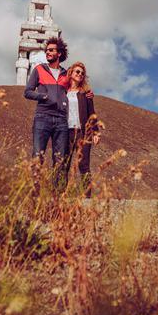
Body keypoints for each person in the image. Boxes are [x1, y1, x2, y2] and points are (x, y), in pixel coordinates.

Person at [24, 37, 70, 191]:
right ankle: (34, 197)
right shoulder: (39, 69)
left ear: (59, 53)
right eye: (47, 50)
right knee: (38, 156)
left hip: (62, 120)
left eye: (51, 50)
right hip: (42, 117)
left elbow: (75, 91)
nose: (48, 52)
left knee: (60, 159)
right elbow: (28, 92)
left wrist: (87, 93)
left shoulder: (66, 73)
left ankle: (57, 197)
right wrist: (43, 96)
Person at [64, 62, 100, 198]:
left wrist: (96, 132)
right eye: (77, 72)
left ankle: (86, 198)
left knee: (83, 166)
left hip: (82, 133)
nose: (80, 74)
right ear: (71, 73)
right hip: (66, 133)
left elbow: (92, 114)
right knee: (64, 165)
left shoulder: (86, 94)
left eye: (82, 73)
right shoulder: (63, 92)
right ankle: (60, 195)